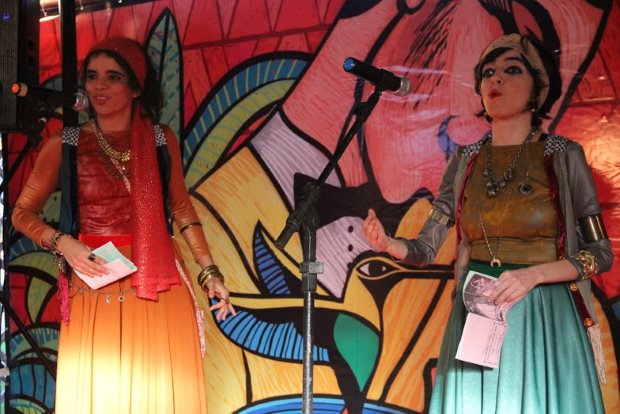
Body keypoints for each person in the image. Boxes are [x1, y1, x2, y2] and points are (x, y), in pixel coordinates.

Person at [362, 33, 612, 413]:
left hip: (543, 315)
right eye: (488, 73)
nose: (495, 79)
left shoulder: (563, 155)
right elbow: (425, 248)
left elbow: (600, 253)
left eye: (512, 70)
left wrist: (535, 275)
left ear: (539, 88)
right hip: (477, 311)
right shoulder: (466, 160)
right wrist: (388, 244)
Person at [11, 37, 236, 413]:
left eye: (112, 77)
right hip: (94, 276)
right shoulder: (66, 143)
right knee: (104, 395)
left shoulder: (160, 139)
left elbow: (181, 209)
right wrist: (63, 243)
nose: (98, 86)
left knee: (160, 394)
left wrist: (209, 272)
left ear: (135, 88)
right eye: (92, 76)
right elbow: (21, 213)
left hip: (158, 280)